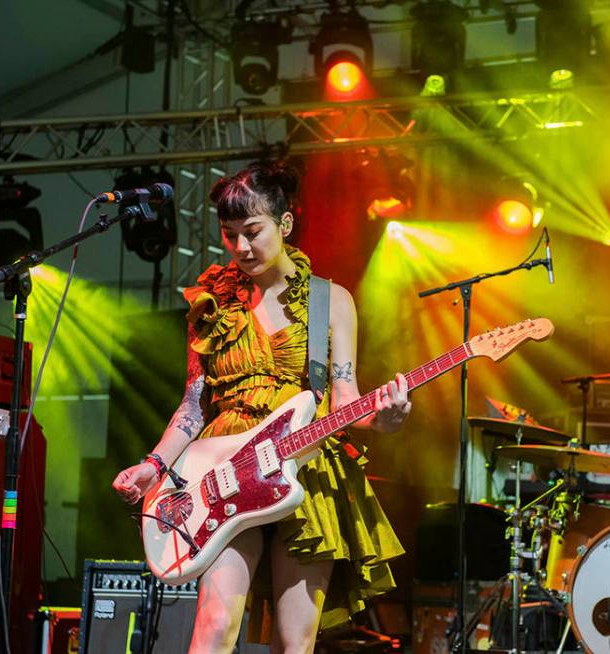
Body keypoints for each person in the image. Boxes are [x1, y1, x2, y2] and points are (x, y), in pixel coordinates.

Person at [111, 160, 412, 653]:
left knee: (296, 643)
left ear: (285, 224)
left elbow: (346, 400)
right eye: (229, 235)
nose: (241, 248)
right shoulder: (212, 304)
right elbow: (191, 407)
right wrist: (153, 465)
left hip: (304, 466)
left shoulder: (330, 302)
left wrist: (387, 419)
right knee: (213, 624)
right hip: (223, 470)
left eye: (252, 231)